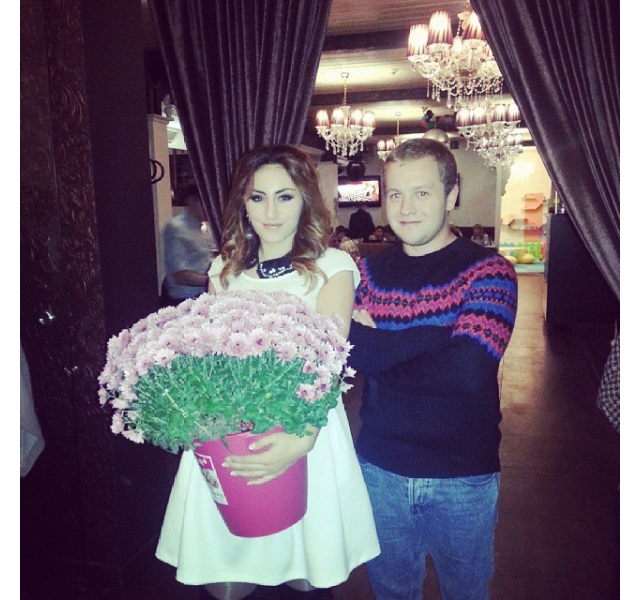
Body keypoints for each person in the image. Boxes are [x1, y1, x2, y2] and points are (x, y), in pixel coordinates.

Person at [156, 144, 380, 600]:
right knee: (227, 573)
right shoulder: (224, 269)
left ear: (305, 199)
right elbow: (210, 360)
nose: (271, 212)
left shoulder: (332, 266)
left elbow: (329, 362)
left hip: (305, 431)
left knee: (304, 575)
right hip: (230, 432)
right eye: (258, 197)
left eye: (285, 196)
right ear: (243, 202)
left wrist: (301, 440)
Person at [347, 138, 518, 600]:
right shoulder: (367, 273)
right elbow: (345, 349)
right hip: (379, 467)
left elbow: (466, 373)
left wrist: (377, 347)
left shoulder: (490, 272)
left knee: (466, 592)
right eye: (395, 194)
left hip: (462, 474)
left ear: (451, 194)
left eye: (422, 192)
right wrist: (435, 339)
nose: (405, 209)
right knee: (391, 591)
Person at [161, 185, 217, 306]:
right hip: (185, 299)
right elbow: (180, 276)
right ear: (192, 201)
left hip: (201, 294)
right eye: (205, 203)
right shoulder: (176, 228)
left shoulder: (202, 228)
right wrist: (214, 281)